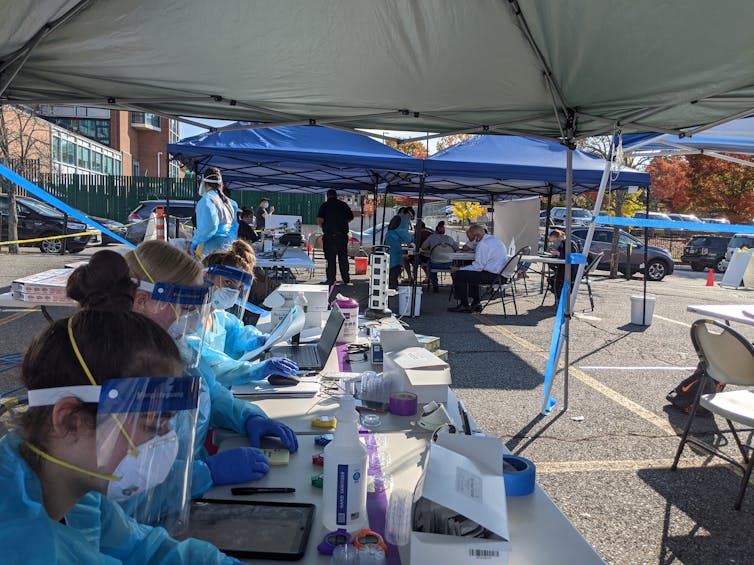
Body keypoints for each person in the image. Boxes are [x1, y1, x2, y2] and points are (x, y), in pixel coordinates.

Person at [0, 300, 235, 561]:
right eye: (152, 424)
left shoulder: (74, 486)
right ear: (70, 420)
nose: (167, 441)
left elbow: (142, 549)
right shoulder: (19, 547)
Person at [73, 242, 298, 503]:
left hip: (182, 499)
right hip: (160, 506)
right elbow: (122, 487)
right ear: (143, 300)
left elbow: (207, 392)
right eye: (187, 308)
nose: (192, 319)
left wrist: (248, 417)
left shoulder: (173, 349)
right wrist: (202, 474)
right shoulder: (110, 368)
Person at [201, 240, 299, 386]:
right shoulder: (187, 322)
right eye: (228, 282)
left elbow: (238, 333)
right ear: (206, 276)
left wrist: (261, 340)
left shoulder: (218, 316)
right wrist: (259, 369)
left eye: (239, 287)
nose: (234, 291)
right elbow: (213, 369)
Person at [448, 224, 508, 313]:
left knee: (458, 274)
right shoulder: (495, 239)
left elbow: (478, 267)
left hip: (494, 276)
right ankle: (476, 302)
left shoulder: (483, 244)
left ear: (477, 236)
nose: (471, 241)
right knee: (470, 274)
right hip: (501, 275)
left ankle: (464, 305)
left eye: (471, 239)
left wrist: (459, 269)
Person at [190, 167, 239, 258]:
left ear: (204, 183)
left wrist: (196, 241)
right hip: (228, 247)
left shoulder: (207, 200)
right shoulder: (230, 203)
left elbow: (209, 227)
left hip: (211, 251)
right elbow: (234, 226)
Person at [317, 189, 354, 285]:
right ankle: (346, 279)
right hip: (342, 236)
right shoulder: (343, 205)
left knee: (330, 259)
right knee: (343, 258)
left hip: (329, 236)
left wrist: (325, 226)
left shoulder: (324, 205)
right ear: (336, 195)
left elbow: (320, 219)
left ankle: (331, 279)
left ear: (328, 196)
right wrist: (342, 222)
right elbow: (351, 217)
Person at [421, 220, 459, 292]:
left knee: (429, 263)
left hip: (435, 264)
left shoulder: (431, 238)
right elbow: (456, 248)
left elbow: (423, 247)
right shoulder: (449, 238)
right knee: (456, 263)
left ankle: (435, 285)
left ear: (436, 230)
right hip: (449, 264)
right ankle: (455, 284)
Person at [384, 215, 413, 290]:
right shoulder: (399, 231)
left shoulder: (390, 233)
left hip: (390, 258)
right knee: (394, 274)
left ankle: (392, 287)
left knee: (391, 275)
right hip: (395, 258)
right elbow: (408, 239)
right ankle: (393, 288)